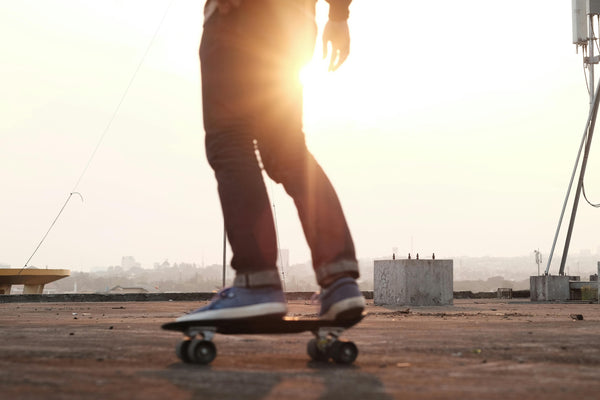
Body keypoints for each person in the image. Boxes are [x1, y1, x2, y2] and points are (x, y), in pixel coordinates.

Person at [177, 0, 365, 323]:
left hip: (241, 15)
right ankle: (339, 281)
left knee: (229, 140)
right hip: (296, 22)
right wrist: (338, 15)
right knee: (287, 151)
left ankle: (256, 280)